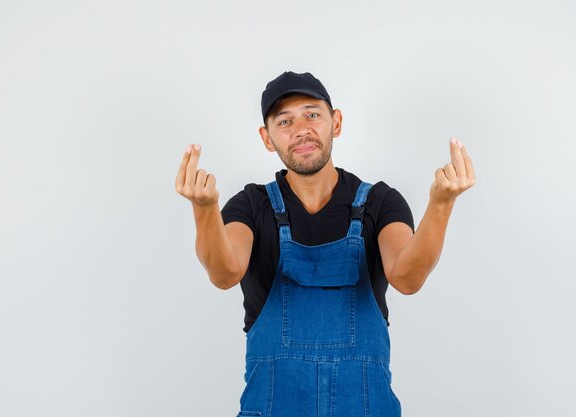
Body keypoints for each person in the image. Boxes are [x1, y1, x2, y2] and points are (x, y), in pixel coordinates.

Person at [175, 71, 475, 417]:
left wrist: (441, 204)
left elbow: (407, 279)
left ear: (336, 122)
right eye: (284, 121)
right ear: (267, 138)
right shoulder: (251, 205)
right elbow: (224, 273)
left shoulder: (380, 202)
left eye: (312, 114)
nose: (301, 128)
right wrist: (204, 208)